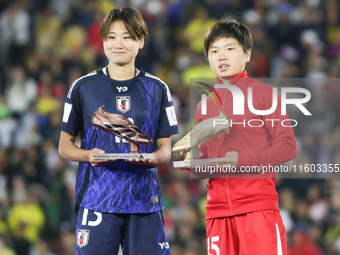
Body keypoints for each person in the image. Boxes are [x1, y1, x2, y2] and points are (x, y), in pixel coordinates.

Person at [58, 7, 179, 255]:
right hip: (97, 199)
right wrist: (89, 154)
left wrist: (154, 158)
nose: (118, 43)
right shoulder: (82, 87)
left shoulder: (158, 89)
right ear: (103, 41)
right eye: (111, 37)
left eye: (127, 36)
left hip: (144, 200)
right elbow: (64, 147)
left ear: (141, 40)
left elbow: (165, 149)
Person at [194, 17, 297, 255]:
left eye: (230, 49)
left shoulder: (264, 95)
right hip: (217, 213)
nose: (221, 56)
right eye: (214, 51)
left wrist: (241, 161)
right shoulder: (204, 107)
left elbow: (288, 146)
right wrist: (192, 164)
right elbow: (204, 159)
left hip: (257, 209)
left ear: (247, 54)